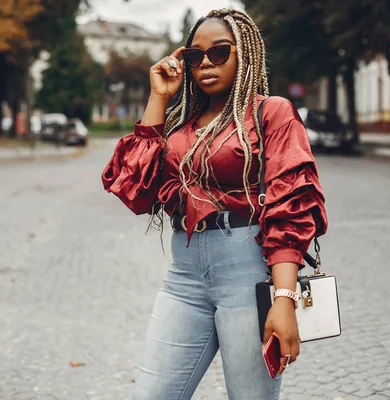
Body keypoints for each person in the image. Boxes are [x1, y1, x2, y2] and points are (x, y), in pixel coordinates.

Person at [102, 8, 328, 400]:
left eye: (220, 52)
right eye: (195, 56)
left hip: (248, 276)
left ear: (244, 55)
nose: (206, 62)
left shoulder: (270, 113)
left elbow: (290, 204)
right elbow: (135, 188)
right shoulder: (180, 123)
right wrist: (158, 97)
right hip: (184, 276)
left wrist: (284, 298)